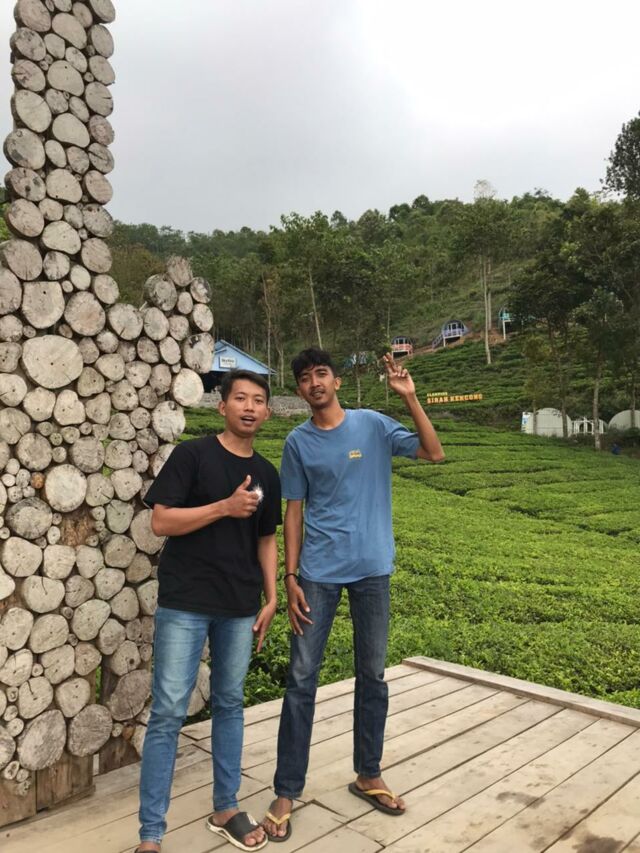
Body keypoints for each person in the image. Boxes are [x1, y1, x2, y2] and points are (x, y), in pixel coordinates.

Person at [262, 348, 444, 841]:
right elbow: (293, 511)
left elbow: (433, 453)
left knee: (372, 675)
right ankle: (286, 790)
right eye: (305, 378)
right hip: (317, 575)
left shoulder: (373, 425)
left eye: (321, 373)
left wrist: (410, 399)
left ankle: (368, 773)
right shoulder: (298, 442)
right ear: (299, 390)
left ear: (337, 381)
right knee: (301, 679)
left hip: (372, 571)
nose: (314, 383)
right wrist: (291, 576)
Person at [136, 369, 281, 853]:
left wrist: (272, 597)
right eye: (240, 398)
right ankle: (151, 834)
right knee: (168, 712)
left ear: (267, 412)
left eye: (258, 400)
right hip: (186, 602)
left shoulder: (268, 473)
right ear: (222, 406)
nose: (249, 407)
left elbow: (266, 538)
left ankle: (226, 807)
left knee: (230, 704)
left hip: (239, 606)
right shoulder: (192, 456)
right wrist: (223, 507)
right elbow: (161, 522)